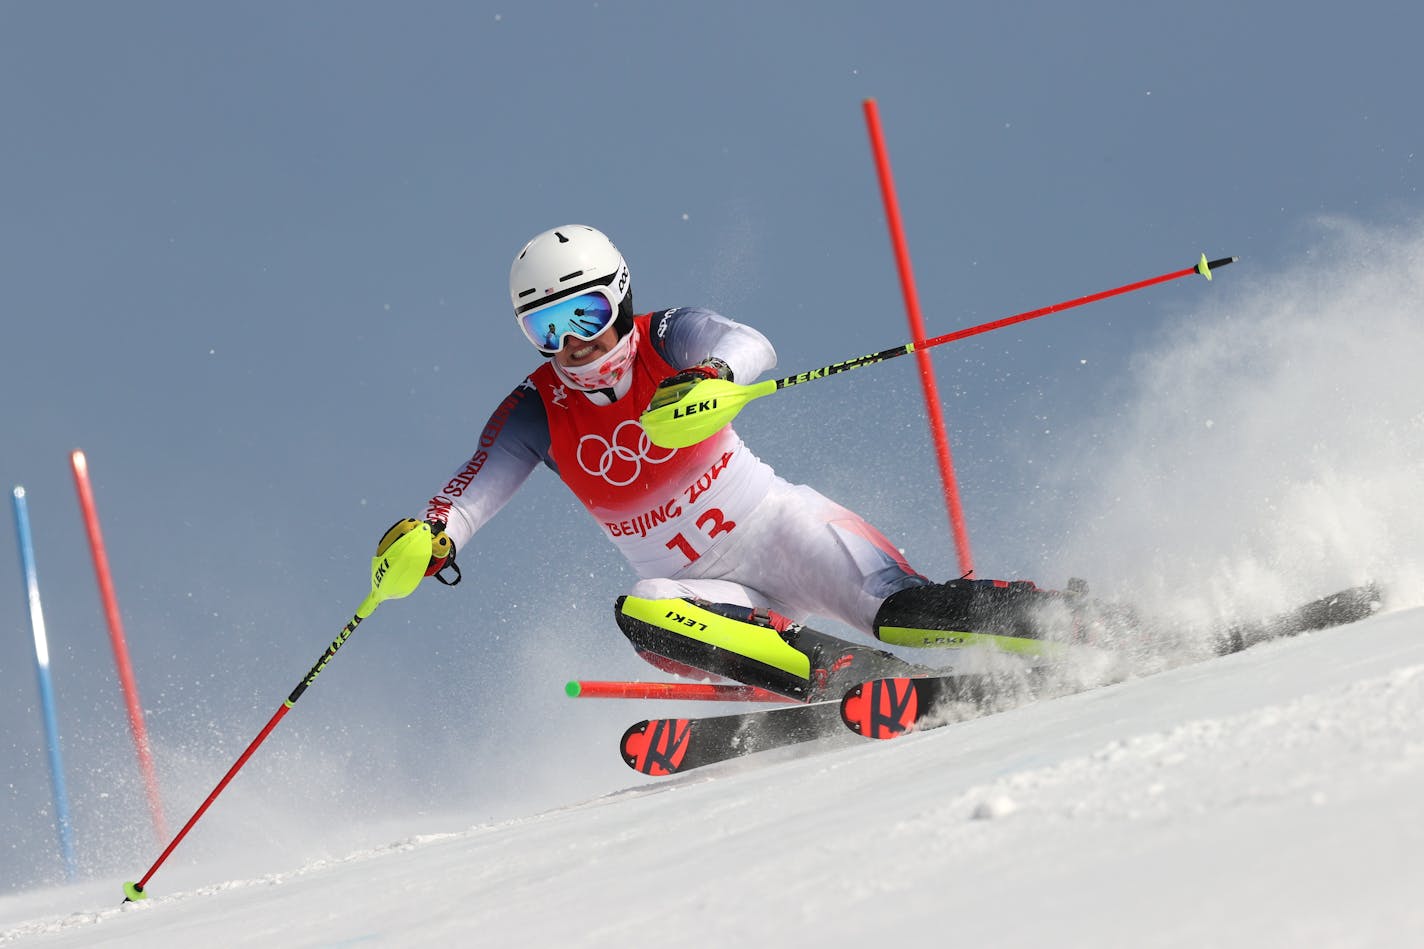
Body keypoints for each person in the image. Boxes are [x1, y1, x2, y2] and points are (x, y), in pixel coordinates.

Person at [381, 224, 1058, 701]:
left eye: (584, 315)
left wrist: (711, 375)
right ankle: (855, 676)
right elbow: (472, 488)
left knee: (907, 610)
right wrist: (431, 535)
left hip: (779, 531)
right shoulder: (537, 407)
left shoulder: (666, 335)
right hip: (705, 593)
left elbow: (748, 343)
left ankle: (1069, 624)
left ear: (619, 297)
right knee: (645, 610)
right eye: (546, 329)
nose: (573, 345)